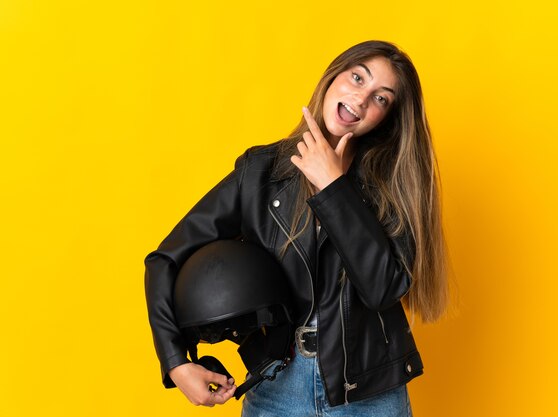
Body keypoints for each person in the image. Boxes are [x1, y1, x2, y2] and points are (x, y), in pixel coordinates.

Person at [144, 40, 448, 416]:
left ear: (387, 117)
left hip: (369, 396)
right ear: (333, 75)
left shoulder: (393, 187)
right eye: (357, 77)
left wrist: (334, 189)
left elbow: (382, 288)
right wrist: (176, 361)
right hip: (278, 388)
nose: (361, 99)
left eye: (381, 98)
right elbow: (165, 259)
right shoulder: (260, 172)